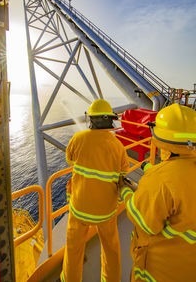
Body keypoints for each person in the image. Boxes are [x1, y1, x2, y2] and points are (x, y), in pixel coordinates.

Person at [119, 103, 196, 282]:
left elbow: (144, 223)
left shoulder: (159, 179)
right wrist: (151, 170)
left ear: (159, 138)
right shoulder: (164, 176)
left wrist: (125, 192)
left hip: (160, 271)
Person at [60, 99, 130, 282]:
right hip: (106, 211)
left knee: (73, 248)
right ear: (110, 121)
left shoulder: (78, 139)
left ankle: (69, 279)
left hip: (79, 208)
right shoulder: (118, 147)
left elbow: (70, 160)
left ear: (90, 119)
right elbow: (123, 175)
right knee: (111, 249)